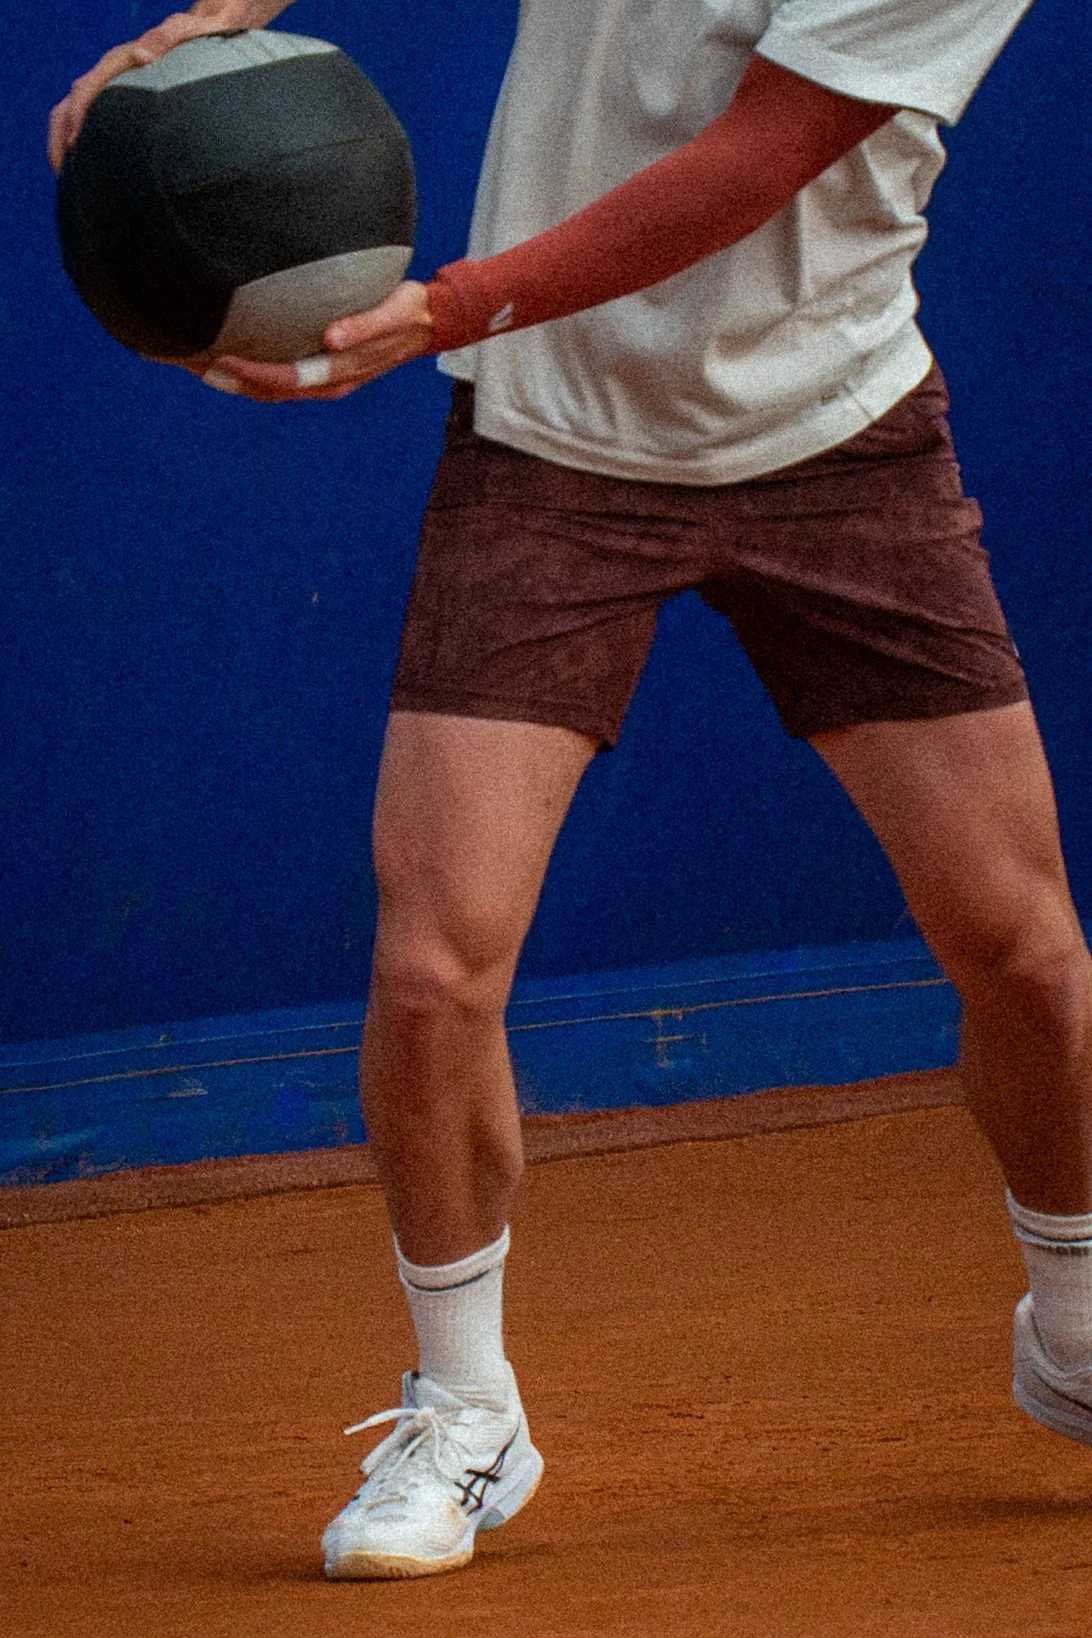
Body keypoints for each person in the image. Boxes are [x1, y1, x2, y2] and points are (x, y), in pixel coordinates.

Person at [52, 0, 1092, 1584]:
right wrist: (224, 16)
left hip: (839, 430)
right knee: (431, 967)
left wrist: (448, 308)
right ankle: (465, 1407)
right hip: (550, 446)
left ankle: (1075, 1326)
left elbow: (750, 160)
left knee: (1025, 952)